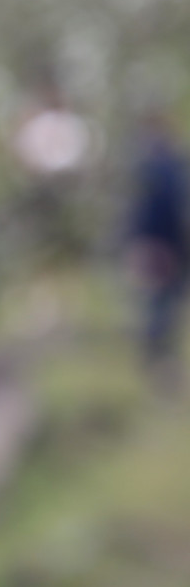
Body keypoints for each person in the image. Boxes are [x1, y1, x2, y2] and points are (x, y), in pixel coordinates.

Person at [126, 115, 190, 392]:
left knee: (160, 306)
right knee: (159, 307)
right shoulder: (157, 166)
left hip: (164, 245)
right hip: (162, 245)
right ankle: (159, 367)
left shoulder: (157, 166)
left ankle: (159, 365)